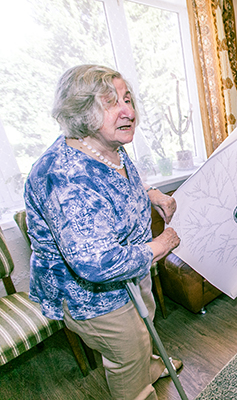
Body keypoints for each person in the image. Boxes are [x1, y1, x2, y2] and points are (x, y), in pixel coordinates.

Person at [24, 65, 182, 400]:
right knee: (129, 348)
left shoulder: (105, 145)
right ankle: (137, 388)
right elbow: (97, 263)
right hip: (92, 294)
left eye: (128, 99)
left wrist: (152, 194)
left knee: (145, 326)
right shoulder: (65, 177)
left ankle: (150, 366)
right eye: (111, 103)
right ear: (82, 112)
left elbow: (116, 181)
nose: (129, 111)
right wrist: (160, 245)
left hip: (131, 269)